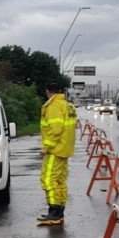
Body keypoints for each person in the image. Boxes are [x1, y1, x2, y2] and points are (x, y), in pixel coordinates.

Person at [37, 82, 77, 226]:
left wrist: (46, 147)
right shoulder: (68, 105)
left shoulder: (53, 105)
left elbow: (56, 130)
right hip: (65, 149)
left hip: (55, 150)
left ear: (48, 91)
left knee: (48, 180)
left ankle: (53, 213)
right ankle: (59, 212)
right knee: (60, 181)